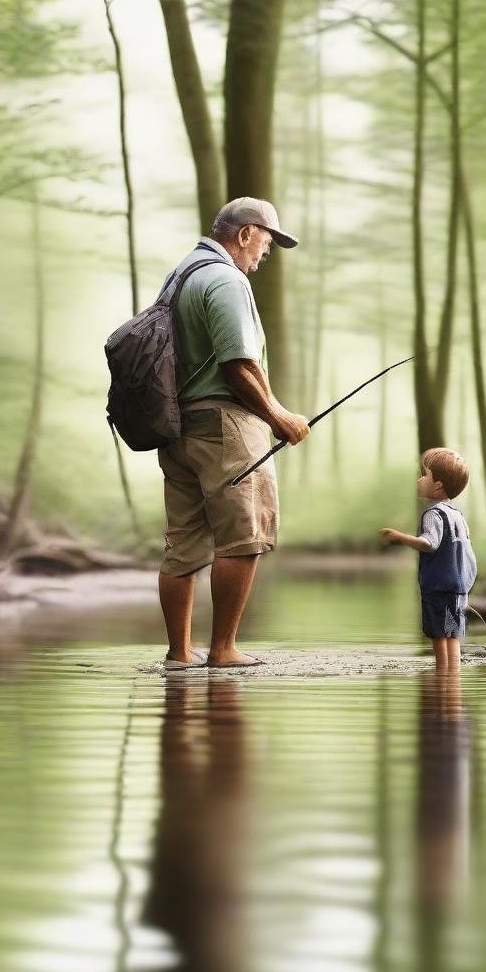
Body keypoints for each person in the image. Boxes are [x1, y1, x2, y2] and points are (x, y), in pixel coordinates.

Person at [158, 197, 310, 669]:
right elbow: (238, 366)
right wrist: (278, 416)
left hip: (177, 426)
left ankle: (180, 653)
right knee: (245, 537)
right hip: (226, 427)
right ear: (245, 233)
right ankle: (223, 650)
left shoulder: (181, 276)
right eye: (266, 242)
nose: (266, 253)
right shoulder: (225, 279)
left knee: (182, 543)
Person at [379, 448, 478, 669]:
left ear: (438, 485)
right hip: (458, 586)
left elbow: (429, 543)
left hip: (438, 585)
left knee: (437, 634)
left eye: (425, 475)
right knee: (452, 633)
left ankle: (441, 674)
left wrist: (399, 537)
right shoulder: (457, 514)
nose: (419, 479)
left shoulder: (433, 514)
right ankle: (453, 678)